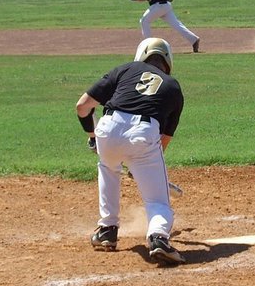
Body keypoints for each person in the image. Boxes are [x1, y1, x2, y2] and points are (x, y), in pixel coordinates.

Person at [75, 37, 186, 266]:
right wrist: (143, 167)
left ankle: (107, 230)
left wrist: (94, 137)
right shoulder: (173, 86)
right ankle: (158, 238)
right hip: (144, 133)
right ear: (168, 61)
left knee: (108, 168)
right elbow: (162, 141)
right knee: (158, 202)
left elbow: (83, 107)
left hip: (107, 126)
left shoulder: (126, 69)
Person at [129, 0, 200, 53]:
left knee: (144, 21)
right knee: (177, 25)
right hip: (164, 6)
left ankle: (148, 46)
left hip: (159, 6)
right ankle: (194, 40)